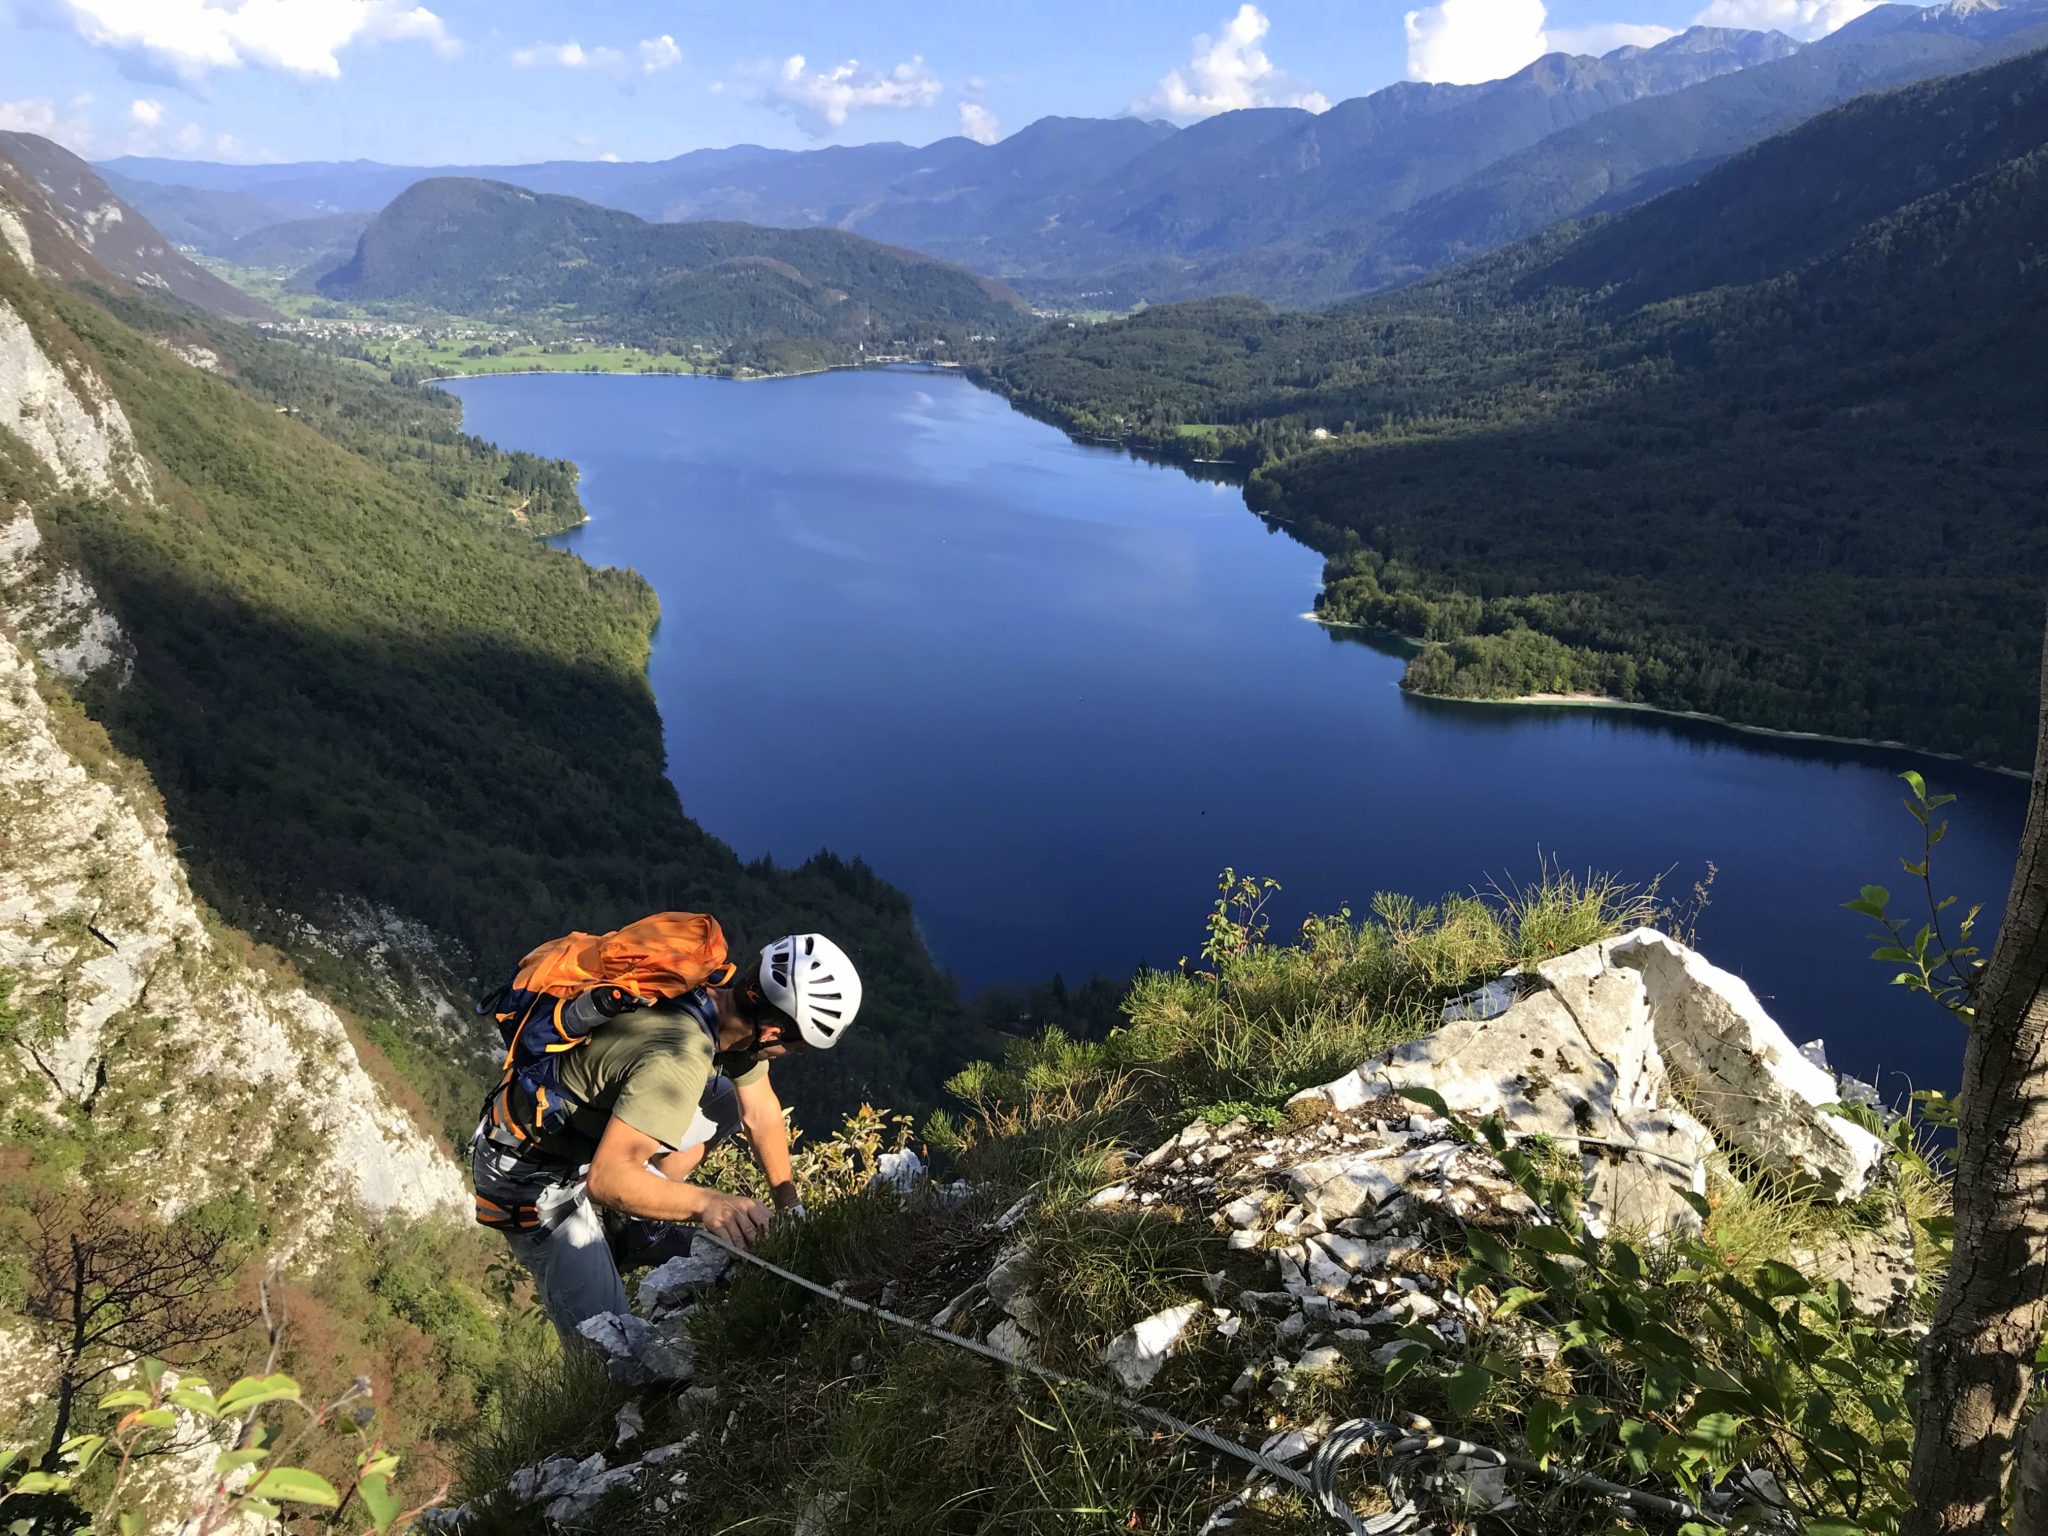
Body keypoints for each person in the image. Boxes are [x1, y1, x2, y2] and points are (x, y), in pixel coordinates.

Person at [471, 926, 862, 1347]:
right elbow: (607, 1180)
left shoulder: (712, 992)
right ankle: (633, 1212)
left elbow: (760, 1110)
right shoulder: (679, 1058)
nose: (790, 1056)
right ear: (772, 1034)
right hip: (532, 1175)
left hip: (573, 1129)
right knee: (612, 1346)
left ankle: (635, 1227)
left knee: (725, 1099)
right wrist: (710, 1204)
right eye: (796, 1048)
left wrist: (790, 1206)